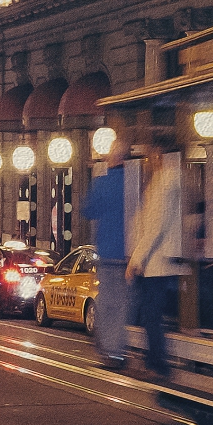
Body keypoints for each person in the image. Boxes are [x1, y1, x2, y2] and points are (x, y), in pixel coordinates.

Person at [125, 141, 185, 379]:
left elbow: (154, 226)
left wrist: (136, 259)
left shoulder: (163, 184)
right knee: (151, 313)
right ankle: (153, 361)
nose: (148, 161)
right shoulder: (168, 182)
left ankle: (158, 365)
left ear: (160, 155)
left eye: (151, 156)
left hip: (156, 261)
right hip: (159, 259)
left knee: (151, 314)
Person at [78, 131, 135, 369]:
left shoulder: (102, 183)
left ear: (113, 158)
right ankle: (117, 349)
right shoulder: (135, 183)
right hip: (131, 253)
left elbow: (87, 210)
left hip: (109, 252)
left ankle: (111, 351)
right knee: (123, 304)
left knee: (108, 302)